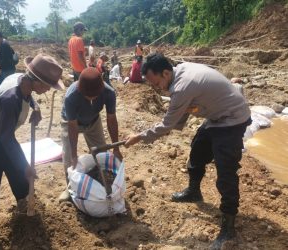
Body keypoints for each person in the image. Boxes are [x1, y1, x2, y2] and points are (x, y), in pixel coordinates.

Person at [124, 53, 251, 250]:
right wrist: (172, 126)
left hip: (232, 119)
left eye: (156, 83)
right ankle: (194, 192)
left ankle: (228, 227)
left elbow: (168, 122)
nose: (157, 88)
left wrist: (139, 136)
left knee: (226, 172)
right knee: (198, 152)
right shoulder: (179, 71)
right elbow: (182, 112)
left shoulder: (183, 86)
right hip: (216, 117)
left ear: (166, 73)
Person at [0, 54, 64, 249]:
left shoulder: (23, 81)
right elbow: (6, 139)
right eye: (47, 85)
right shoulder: (11, 98)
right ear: (37, 81)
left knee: (20, 177)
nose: (48, 90)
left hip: (1, 136)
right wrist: (25, 165)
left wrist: (35, 106)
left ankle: (26, 214)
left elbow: (25, 98)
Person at [58, 67, 122, 202]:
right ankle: (70, 187)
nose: (91, 98)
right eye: (88, 96)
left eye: (95, 96)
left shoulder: (109, 93)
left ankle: (100, 181)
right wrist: (74, 154)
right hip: (71, 122)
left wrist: (116, 148)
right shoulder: (71, 96)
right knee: (69, 158)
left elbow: (111, 119)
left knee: (101, 153)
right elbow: (72, 126)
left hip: (93, 121)